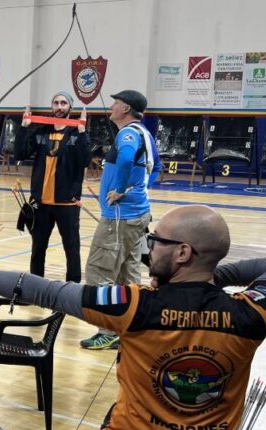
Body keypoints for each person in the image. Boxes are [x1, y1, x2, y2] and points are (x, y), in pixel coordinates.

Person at [0, 204, 266, 430]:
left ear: (183, 253)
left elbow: (47, 291)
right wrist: (206, 279)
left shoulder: (133, 304)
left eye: (157, 242)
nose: (149, 249)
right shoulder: (252, 313)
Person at [81, 90, 160, 350]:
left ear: (125, 109)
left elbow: (126, 159)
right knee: (128, 272)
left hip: (119, 217)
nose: (112, 106)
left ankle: (108, 330)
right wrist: (139, 189)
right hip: (135, 215)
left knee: (99, 272)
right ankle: (132, 326)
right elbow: (157, 167)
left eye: (116, 103)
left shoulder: (127, 134)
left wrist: (121, 189)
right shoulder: (145, 133)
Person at [13, 91, 90, 283]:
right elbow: (20, 154)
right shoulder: (42, 130)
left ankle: (72, 287)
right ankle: (35, 285)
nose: (59, 107)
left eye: (64, 103)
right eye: (56, 103)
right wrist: (23, 128)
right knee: (37, 248)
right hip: (41, 202)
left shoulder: (76, 132)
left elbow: (86, 160)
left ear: (70, 107)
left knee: (71, 248)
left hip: (67, 202)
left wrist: (82, 132)